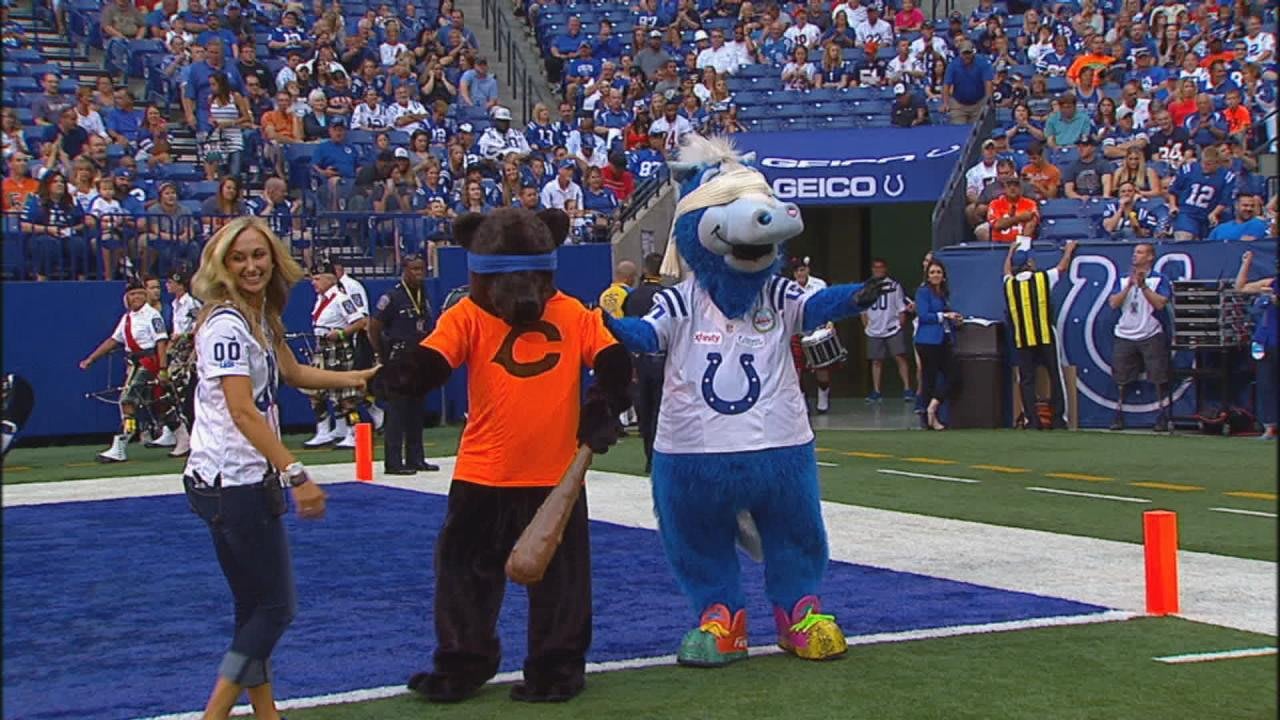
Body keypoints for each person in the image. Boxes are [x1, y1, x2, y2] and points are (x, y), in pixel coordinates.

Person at [183, 216, 375, 720]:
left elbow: (291, 372)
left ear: (274, 258)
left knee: (254, 609)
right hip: (233, 481)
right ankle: (214, 715)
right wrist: (296, 473)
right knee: (275, 609)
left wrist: (357, 377)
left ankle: (268, 714)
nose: (251, 266)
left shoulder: (258, 314)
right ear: (222, 264)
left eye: (258, 255)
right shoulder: (226, 323)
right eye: (240, 257)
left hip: (237, 479)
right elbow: (242, 410)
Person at [78, 278, 180, 462]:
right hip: (134, 363)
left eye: (141, 293)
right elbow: (113, 341)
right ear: (126, 297)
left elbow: (161, 342)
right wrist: (91, 359)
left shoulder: (153, 315)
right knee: (156, 403)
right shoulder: (127, 319)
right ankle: (177, 433)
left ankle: (120, 445)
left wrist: (163, 369)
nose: (137, 297)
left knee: (127, 401)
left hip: (149, 362)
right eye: (133, 294)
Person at [370, 254, 439, 474]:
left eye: (421, 269)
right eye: (414, 270)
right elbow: (374, 326)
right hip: (398, 359)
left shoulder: (423, 295)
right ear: (404, 270)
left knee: (416, 411)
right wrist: (382, 353)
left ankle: (416, 458)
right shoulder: (393, 297)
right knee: (397, 411)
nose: (419, 274)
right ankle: (393, 462)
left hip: (419, 359)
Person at [1002, 241, 1077, 429]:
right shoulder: (1043, 278)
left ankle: (1032, 420)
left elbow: (1006, 272)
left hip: (1023, 338)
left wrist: (1010, 252)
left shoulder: (1010, 284)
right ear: (1029, 264)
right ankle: (1059, 418)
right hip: (1045, 336)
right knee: (1055, 376)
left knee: (1027, 380)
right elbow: (1062, 267)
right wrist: (1069, 250)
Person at [1107, 242, 1173, 432]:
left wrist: (1143, 286)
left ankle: (1161, 415)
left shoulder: (1159, 279)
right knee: (1121, 377)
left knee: (1158, 375)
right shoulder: (1121, 279)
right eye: (1135, 252)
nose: (1135, 255)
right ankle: (1118, 414)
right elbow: (1113, 303)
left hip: (1150, 332)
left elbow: (1161, 304)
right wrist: (1128, 286)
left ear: (1150, 257)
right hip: (1125, 333)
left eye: (1140, 252)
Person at [304, 258, 369, 449]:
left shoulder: (341, 298)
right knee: (315, 391)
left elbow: (360, 322)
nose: (313, 282)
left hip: (338, 348)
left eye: (317, 278)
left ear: (329, 279)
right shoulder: (320, 299)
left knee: (345, 395)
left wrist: (340, 333)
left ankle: (353, 432)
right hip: (321, 347)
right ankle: (323, 431)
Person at [622, 253, 666, 473]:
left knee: (644, 409)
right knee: (662, 410)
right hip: (663, 360)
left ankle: (649, 456)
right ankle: (659, 457)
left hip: (639, 359)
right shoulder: (668, 296)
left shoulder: (633, 296)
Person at [914, 258, 962, 431]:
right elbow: (924, 316)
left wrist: (954, 318)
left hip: (943, 339)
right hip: (927, 341)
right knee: (929, 379)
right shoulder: (923, 292)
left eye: (938, 272)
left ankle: (932, 407)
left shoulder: (943, 293)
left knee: (954, 375)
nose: (935, 275)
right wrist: (944, 316)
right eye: (932, 272)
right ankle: (927, 418)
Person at [1235, 250, 1277, 439]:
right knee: (1266, 384)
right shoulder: (1270, 283)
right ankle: (1269, 426)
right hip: (1265, 340)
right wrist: (1246, 264)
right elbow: (1241, 287)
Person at [861, 258, 913, 403]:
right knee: (876, 360)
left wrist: (899, 325)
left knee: (899, 357)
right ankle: (876, 391)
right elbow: (863, 309)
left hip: (892, 327)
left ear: (885, 269)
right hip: (874, 328)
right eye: (875, 267)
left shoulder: (894, 286)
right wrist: (867, 326)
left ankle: (907, 389)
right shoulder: (866, 286)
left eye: (881, 267)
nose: (878, 270)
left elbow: (901, 308)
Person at [789, 257, 835, 413]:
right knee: (796, 370)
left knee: (822, 368)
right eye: (796, 271)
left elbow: (828, 304)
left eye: (802, 269)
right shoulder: (790, 288)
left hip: (817, 330)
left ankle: (823, 397)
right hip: (798, 332)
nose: (799, 273)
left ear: (807, 270)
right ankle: (801, 402)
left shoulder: (819, 285)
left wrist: (830, 322)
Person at [164, 269, 201, 457]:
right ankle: (181, 434)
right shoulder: (174, 304)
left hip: (187, 352)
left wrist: (183, 338)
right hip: (176, 352)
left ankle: (191, 437)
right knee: (172, 393)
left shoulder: (191, 304)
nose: (167, 285)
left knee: (185, 393)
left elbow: (199, 326)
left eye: (171, 282)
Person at [1166, 145, 1233, 240]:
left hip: (1207, 215)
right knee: (1184, 238)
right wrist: (1173, 206)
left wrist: (1214, 213)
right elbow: (1173, 190)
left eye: (1208, 164)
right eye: (1203, 162)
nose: (1204, 166)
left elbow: (1224, 200)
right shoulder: (1189, 169)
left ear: (1217, 164)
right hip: (1187, 213)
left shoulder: (1226, 177)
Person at [942, 40, 993, 124]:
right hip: (959, 104)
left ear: (973, 52)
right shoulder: (953, 65)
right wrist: (945, 103)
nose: (966, 56)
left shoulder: (982, 63)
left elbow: (988, 82)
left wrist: (988, 101)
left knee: (977, 130)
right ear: (960, 53)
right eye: (964, 53)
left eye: (968, 53)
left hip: (978, 103)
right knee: (958, 129)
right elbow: (946, 84)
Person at [984, 176, 1040, 243]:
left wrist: (1021, 244)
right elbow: (997, 225)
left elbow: (1031, 225)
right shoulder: (995, 204)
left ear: (1020, 189)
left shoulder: (1030, 204)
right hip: (999, 245)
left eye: (1016, 186)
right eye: (1009, 186)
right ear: (1004, 189)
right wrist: (1020, 218)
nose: (1012, 188)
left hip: (1022, 244)